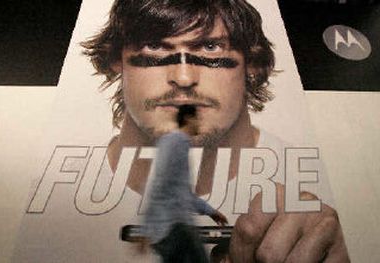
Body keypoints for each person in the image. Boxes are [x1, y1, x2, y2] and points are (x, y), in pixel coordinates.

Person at [82, 0, 350, 261]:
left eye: (211, 47)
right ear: (116, 58)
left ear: (253, 63)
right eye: (155, 46)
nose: (184, 78)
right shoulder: (64, 193)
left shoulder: (329, 189)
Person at [141, 104, 228, 263]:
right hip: (175, 228)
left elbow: (183, 194)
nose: (200, 123)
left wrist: (211, 211)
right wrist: (146, 227)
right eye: (198, 119)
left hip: (170, 229)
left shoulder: (177, 143)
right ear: (188, 118)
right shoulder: (176, 141)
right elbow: (160, 183)